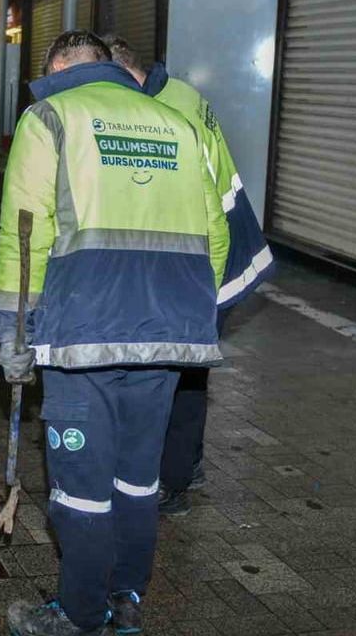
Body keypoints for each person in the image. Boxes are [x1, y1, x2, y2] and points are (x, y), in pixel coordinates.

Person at [0, 31, 228, 636]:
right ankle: (126, 600)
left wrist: (13, 333)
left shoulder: (49, 116)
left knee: (80, 489)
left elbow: (24, 236)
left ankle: (77, 614)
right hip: (166, 336)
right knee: (138, 478)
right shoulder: (174, 122)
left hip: (83, 334)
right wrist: (189, 312)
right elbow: (215, 232)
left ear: (60, 68)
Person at [101, 34, 274, 517]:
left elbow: (198, 212)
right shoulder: (177, 93)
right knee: (188, 371)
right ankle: (188, 467)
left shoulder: (164, 113)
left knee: (178, 374)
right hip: (219, 254)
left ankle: (170, 481)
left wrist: (198, 292)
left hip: (211, 260)